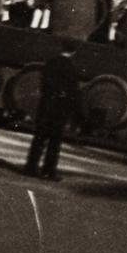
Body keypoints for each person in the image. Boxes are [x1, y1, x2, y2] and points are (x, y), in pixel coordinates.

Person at [26, 40, 83, 180]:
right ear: (74, 52)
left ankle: (31, 167)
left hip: (46, 106)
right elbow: (73, 93)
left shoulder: (51, 62)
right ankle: (49, 170)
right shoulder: (72, 68)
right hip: (60, 110)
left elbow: (45, 84)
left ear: (62, 48)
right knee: (54, 142)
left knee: (39, 138)